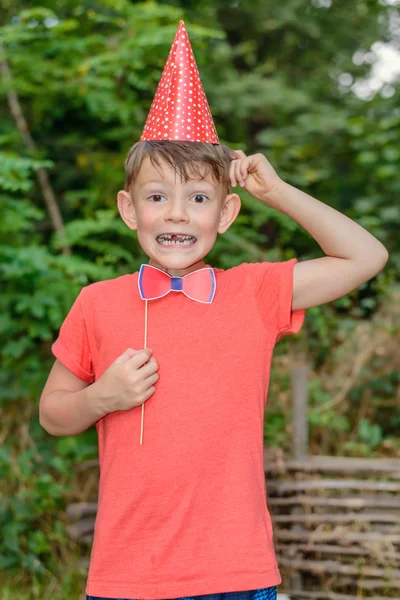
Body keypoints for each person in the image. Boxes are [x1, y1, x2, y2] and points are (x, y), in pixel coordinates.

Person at [39, 21, 388, 600]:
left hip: (236, 575)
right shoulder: (96, 302)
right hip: (127, 577)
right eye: (158, 197)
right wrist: (104, 397)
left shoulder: (254, 293)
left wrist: (275, 192)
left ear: (225, 215)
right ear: (130, 210)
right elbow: (53, 415)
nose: (177, 214)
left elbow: (365, 256)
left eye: (199, 198)